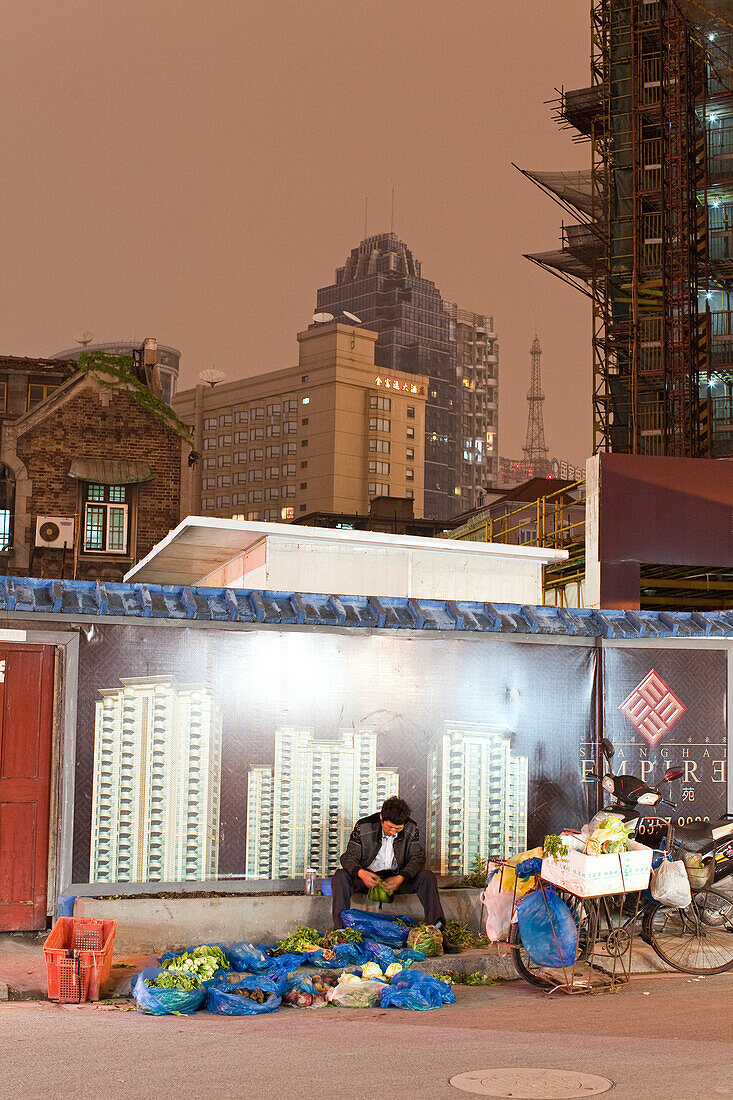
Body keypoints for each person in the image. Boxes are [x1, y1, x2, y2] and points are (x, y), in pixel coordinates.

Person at [331, 796, 445, 930]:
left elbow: (417, 858)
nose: (392, 832)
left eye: (398, 829)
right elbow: (348, 857)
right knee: (340, 876)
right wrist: (361, 873)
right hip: (368, 879)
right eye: (389, 827)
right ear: (381, 818)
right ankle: (340, 931)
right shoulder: (363, 826)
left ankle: (438, 931)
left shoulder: (411, 828)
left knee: (427, 877)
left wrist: (402, 877)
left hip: (396, 879)